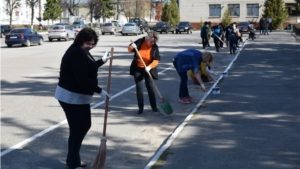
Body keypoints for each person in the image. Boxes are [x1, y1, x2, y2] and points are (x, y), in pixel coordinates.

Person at [54, 28, 111, 169]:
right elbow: (82, 79)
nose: (90, 46)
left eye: (92, 44)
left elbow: (89, 67)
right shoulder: (75, 53)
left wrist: (101, 61)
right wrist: (100, 91)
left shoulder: (83, 52)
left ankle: (72, 157)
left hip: (80, 96)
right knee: (77, 129)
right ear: (80, 40)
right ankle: (73, 163)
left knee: (85, 125)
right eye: (88, 43)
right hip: (70, 96)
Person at [128, 30, 160, 114]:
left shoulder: (155, 47)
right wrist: (132, 47)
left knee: (150, 88)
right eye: (152, 41)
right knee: (139, 88)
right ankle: (140, 108)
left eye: (155, 41)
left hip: (148, 68)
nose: (153, 43)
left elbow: (156, 60)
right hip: (138, 68)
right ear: (147, 39)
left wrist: (149, 67)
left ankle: (154, 107)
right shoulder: (140, 42)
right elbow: (129, 49)